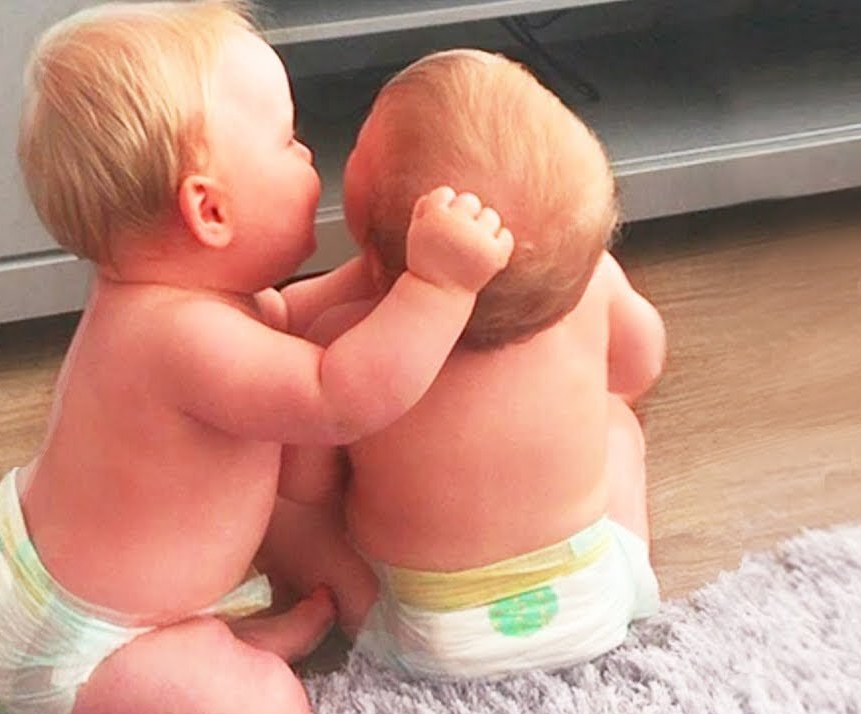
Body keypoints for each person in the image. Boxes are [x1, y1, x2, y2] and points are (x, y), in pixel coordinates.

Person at [0, 5, 515, 714]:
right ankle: (197, 655)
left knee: (97, 555)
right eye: (287, 139)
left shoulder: (165, 300)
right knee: (265, 702)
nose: (307, 155)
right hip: (85, 657)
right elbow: (336, 397)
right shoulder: (184, 341)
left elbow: (287, 323)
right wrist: (441, 289)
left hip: (15, 556)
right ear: (210, 212)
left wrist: (383, 273)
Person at [259, 48, 667, 679]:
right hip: (595, 603)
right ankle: (634, 572)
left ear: (373, 253)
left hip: (427, 636)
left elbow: (307, 488)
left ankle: (327, 605)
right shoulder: (596, 285)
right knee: (619, 426)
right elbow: (638, 371)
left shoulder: (346, 339)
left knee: (283, 510)